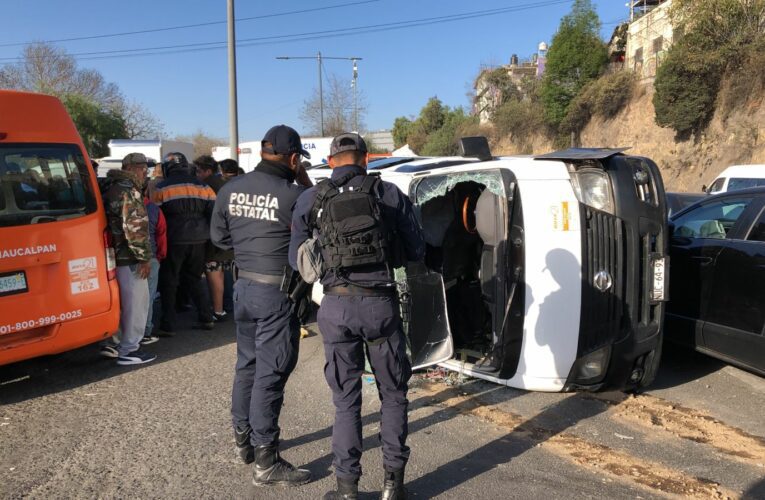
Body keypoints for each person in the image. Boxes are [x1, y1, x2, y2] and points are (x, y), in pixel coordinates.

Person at [289, 133, 425, 500]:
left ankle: (347, 488)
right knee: (394, 394)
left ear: (332, 161)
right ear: (365, 159)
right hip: (380, 304)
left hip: (335, 306)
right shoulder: (389, 193)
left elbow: (296, 260)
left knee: (346, 399)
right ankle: (392, 486)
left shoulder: (311, 198)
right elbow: (415, 249)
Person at [210, 125, 313, 487]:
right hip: (276, 296)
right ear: (294, 158)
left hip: (244, 289)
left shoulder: (230, 188)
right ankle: (266, 460)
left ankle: (244, 442)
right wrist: (304, 179)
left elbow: (219, 238)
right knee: (271, 373)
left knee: (247, 366)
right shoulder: (297, 195)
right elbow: (319, 219)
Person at [99, 153, 157, 365]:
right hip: (129, 257)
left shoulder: (109, 187)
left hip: (114, 255)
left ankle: (114, 344)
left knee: (121, 304)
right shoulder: (128, 191)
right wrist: (144, 258)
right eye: (142, 168)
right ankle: (130, 349)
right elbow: (135, 228)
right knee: (136, 304)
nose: (145, 172)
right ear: (131, 168)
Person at [153, 152, 216, 334]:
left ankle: (168, 324)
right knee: (195, 279)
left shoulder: (161, 188)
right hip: (199, 239)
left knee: (169, 280)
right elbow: (213, 214)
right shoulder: (204, 187)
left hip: (173, 239)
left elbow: (156, 218)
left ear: (167, 168)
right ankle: (206, 317)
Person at [195, 155, 233, 321]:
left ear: (207, 171)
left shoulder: (205, 187)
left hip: (213, 237)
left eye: (198, 171)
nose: (196, 174)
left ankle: (218, 310)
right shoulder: (227, 185)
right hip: (230, 235)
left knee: (214, 273)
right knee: (226, 273)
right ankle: (226, 306)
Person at [142, 185, 167, 345]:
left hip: (123, 259)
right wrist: (160, 256)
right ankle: (145, 331)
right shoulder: (153, 208)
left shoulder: (116, 205)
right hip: (150, 256)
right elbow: (161, 234)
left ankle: (119, 336)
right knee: (148, 297)